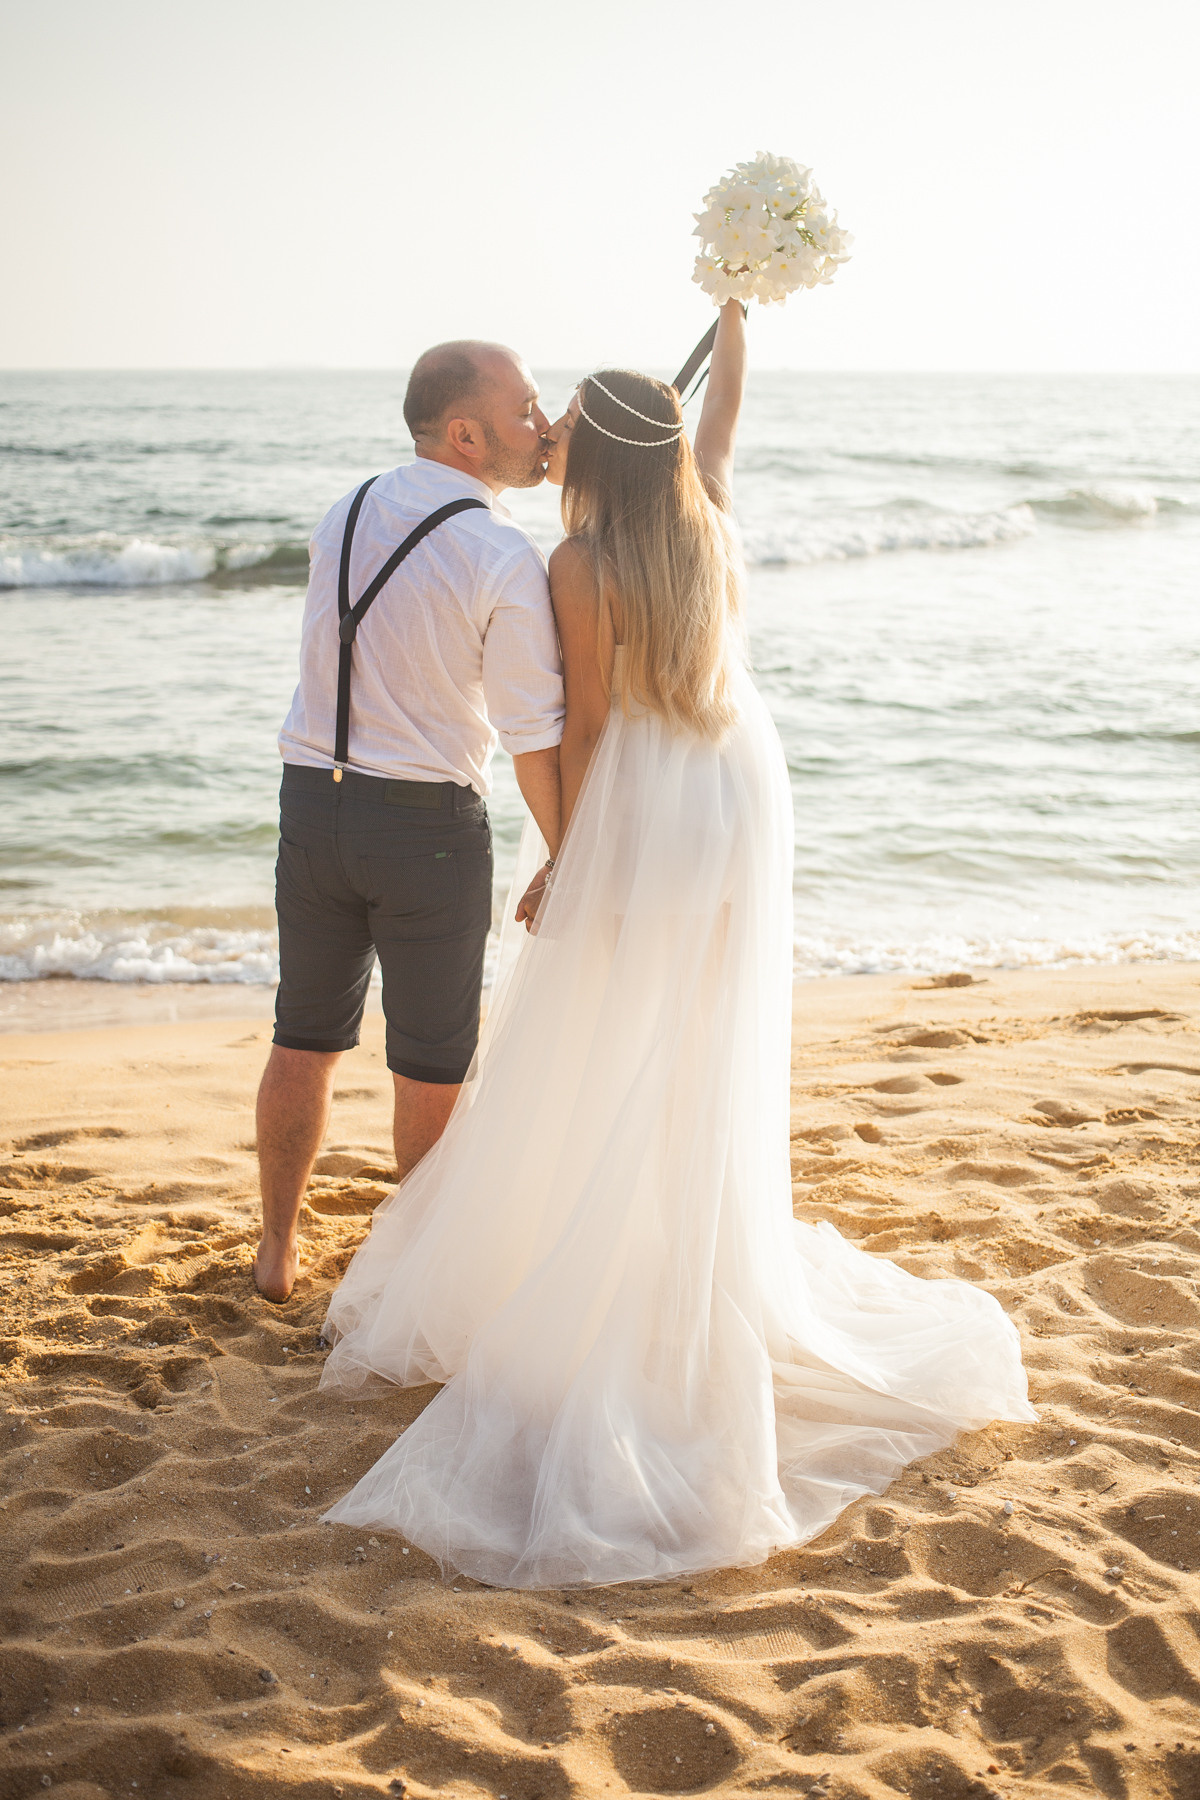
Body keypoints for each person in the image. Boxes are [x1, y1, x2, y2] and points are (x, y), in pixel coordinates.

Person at [318, 303, 1035, 1587]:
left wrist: (568, 861)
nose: (547, 441)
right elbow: (726, 413)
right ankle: (685, 1241)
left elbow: (585, 729)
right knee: (699, 1032)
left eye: (563, 428)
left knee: (603, 1022)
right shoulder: (706, 512)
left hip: (652, 791)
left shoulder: (577, 570)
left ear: (592, 460)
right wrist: (734, 317)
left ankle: (619, 1261)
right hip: (741, 793)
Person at [252, 341, 564, 1303]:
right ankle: (409, 1283)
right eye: (527, 410)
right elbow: (530, 733)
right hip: (425, 826)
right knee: (430, 1066)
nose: (544, 428)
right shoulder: (501, 552)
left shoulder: (346, 507)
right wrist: (567, 848)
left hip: (311, 803)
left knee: (302, 1038)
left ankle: (276, 1253)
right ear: (466, 434)